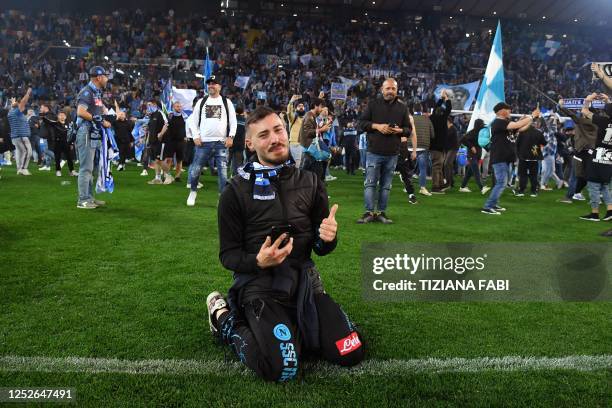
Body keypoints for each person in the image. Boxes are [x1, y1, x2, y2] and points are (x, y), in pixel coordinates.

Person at [207, 106, 364, 382]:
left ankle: (310, 322)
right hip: (260, 287)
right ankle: (224, 318)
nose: (275, 139)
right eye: (264, 135)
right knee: (283, 368)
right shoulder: (233, 192)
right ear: (250, 143)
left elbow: (320, 247)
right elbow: (228, 255)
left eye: (278, 130)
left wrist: (328, 237)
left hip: (305, 283)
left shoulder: (311, 181)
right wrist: (258, 262)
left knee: (350, 352)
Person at [357, 78, 414, 224]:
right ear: (382, 90)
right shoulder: (373, 105)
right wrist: (377, 126)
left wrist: (398, 130)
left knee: (386, 186)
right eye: (388, 88)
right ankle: (368, 212)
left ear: (397, 90)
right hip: (374, 152)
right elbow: (361, 123)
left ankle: (382, 213)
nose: (390, 91)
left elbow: (408, 130)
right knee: (370, 183)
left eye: (393, 89)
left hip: (392, 154)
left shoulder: (402, 108)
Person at [186, 75, 237, 206]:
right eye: (209, 84)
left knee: (223, 174)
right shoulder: (201, 102)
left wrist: (231, 136)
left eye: (214, 84)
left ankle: (222, 198)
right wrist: (196, 136)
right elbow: (192, 120)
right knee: (195, 170)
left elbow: (233, 121)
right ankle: (193, 191)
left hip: (221, 143)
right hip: (203, 143)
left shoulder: (227, 102)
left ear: (219, 86)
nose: (211, 86)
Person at [481, 103, 536, 215]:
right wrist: (531, 116)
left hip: (505, 158)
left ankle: (494, 204)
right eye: (508, 109)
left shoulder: (504, 123)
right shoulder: (498, 122)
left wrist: (528, 120)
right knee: (501, 182)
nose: (510, 111)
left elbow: (521, 128)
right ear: (501, 111)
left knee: (502, 183)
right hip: (500, 157)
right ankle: (488, 207)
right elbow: (517, 125)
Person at [75, 66, 111, 209]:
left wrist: (111, 116)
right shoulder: (87, 92)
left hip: (93, 133)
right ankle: (83, 200)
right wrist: (101, 121)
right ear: (99, 77)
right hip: (86, 132)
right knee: (86, 168)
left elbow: (100, 110)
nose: (107, 79)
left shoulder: (96, 93)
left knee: (93, 167)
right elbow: (80, 112)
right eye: (106, 76)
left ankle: (89, 197)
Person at [515, 115, 546, 197]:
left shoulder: (522, 132)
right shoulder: (539, 133)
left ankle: (521, 190)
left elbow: (517, 144)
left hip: (523, 156)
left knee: (523, 175)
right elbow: (544, 143)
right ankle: (533, 191)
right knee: (534, 175)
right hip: (534, 156)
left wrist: (518, 154)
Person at [429, 91, 452, 193]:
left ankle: (440, 184)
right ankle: (435, 187)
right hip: (439, 146)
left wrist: (441, 99)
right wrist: (446, 98)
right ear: (442, 113)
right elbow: (449, 109)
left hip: (434, 146)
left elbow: (435, 108)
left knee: (438, 166)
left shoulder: (432, 118)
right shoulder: (442, 119)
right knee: (437, 166)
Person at [458, 119, 490, 194]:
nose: (483, 126)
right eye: (482, 125)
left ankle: (462, 187)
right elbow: (462, 140)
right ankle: (482, 188)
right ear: (479, 125)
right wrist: (471, 146)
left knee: (469, 173)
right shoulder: (472, 133)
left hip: (477, 156)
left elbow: (481, 143)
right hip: (472, 156)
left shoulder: (480, 133)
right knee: (476, 172)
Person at [145, 99, 172, 185]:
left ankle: (169, 176)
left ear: (154, 104)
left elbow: (166, 124)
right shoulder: (151, 116)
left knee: (159, 160)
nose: (148, 107)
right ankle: (158, 178)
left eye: (149, 105)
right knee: (154, 160)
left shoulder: (160, 113)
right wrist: (147, 139)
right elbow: (150, 129)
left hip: (160, 141)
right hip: (152, 141)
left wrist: (161, 133)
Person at [410, 102, 435, 196]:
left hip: (410, 146)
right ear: (421, 109)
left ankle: (408, 186)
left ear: (413, 110)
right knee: (422, 168)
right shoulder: (427, 119)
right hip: (423, 146)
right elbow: (432, 134)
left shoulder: (409, 118)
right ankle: (422, 188)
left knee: (408, 168)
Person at [43, 110, 77, 177]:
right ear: (58, 116)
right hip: (57, 143)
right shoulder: (55, 123)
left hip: (67, 143)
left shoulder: (69, 125)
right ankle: (58, 171)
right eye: (60, 115)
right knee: (57, 158)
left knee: (69, 158)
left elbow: (72, 134)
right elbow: (47, 121)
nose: (62, 117)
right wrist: (43, 116)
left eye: (63, 115)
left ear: (65, 117)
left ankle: (72, 171)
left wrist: (71, 143)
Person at [8, 88, 33, 175]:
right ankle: (23, 168)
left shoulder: (11, 112)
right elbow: (23, 102)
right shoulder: (17, 112)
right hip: (21, 136)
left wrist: (13, 103)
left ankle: (19, 169)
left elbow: (16, 106)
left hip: (15, 137)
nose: (24, 108)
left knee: (20, 153)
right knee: (28, 151)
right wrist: (27, 94)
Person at [298, 97, 327, 172]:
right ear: (315, 106)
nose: (322, 109)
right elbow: (308, 132)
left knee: (316, 170)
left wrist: (322, 127)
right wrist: (321, 129)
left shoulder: (313, 116)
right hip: (308, 148)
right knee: (304, 172)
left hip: (311, 147)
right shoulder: (309, 116)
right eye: (321, 107)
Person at [164, 101, 187, 182]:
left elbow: (187, 128)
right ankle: (167, 175)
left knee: (179, 160)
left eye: (180, 106)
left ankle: (177, 176)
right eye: (177, 106)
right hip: (170, 141)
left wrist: (186, 136)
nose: (179, 108)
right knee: (169, 159)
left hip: (181, 141)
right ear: (173, 107)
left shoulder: (185, 117)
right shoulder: (169, 116)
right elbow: (165, 126)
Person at [113, 102, 134, 172]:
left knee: (124, 153)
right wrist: (116, 107)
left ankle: (122, 164)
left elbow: (130, 133)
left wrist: (131, 141)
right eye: (120, 114)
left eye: (122, 114)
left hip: (126, 140)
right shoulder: (116, 122)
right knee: (121, 152)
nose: (121, 115)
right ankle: (120, 165)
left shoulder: (128, 123)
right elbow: (113, 121)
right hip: (118, 140)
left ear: (125, 115)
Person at [287, 95, 306, 166]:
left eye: (302, 106)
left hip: (303, 144)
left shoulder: (305, 118)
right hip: (295, 143)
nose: (301, 107)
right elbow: (289, 113)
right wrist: (291, 102)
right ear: (295, 109)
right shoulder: (293, 118)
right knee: (298, 164)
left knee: (300, 164)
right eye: (299, 106)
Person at [228, 105, 246, 176]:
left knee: (226, 161)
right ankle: (235, 178)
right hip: (240, 144)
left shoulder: (232, 120)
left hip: (231, 142)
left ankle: (225, 177)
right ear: (243, 112)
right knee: (238, 162)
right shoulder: (245, 121)